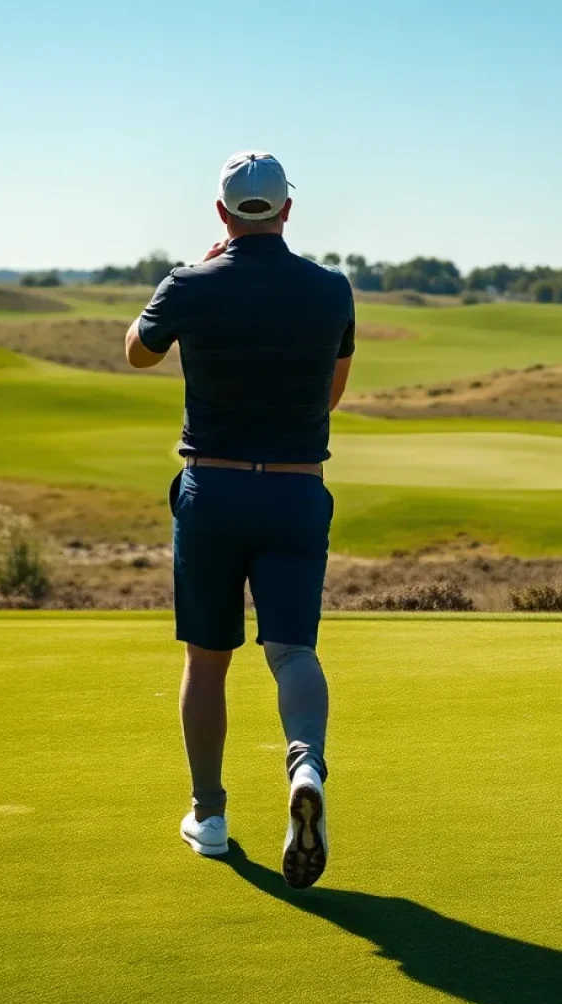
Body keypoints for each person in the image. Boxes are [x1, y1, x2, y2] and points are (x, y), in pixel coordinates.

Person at [123, 152, 355, 888]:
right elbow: (330, 396)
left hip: (213, 492)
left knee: (206, 658)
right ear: (288, 210)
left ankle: (211, 815)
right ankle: (306, 765)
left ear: (222, 214)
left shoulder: (190, 284)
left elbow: (136, 353)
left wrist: (188, 275)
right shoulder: (330, 290)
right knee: (291, 652)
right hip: (294, 491)